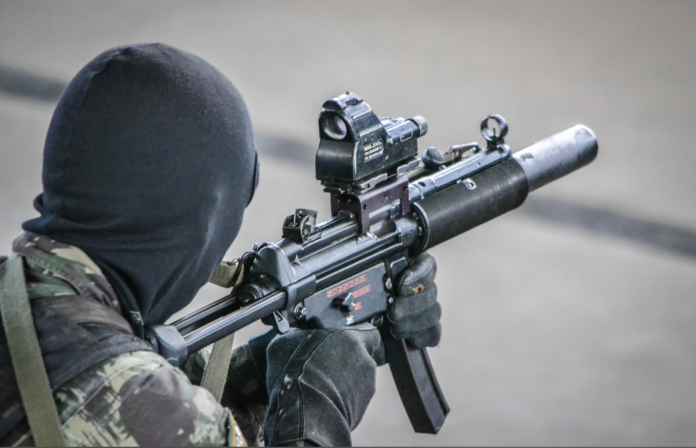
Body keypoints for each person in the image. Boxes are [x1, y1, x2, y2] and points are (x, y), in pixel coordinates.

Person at [0, 44, 442, 446]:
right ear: (202, 219)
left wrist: (269, 366)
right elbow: (154, 412)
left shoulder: (18, 295)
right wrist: (319, 401)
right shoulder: (145, 403)